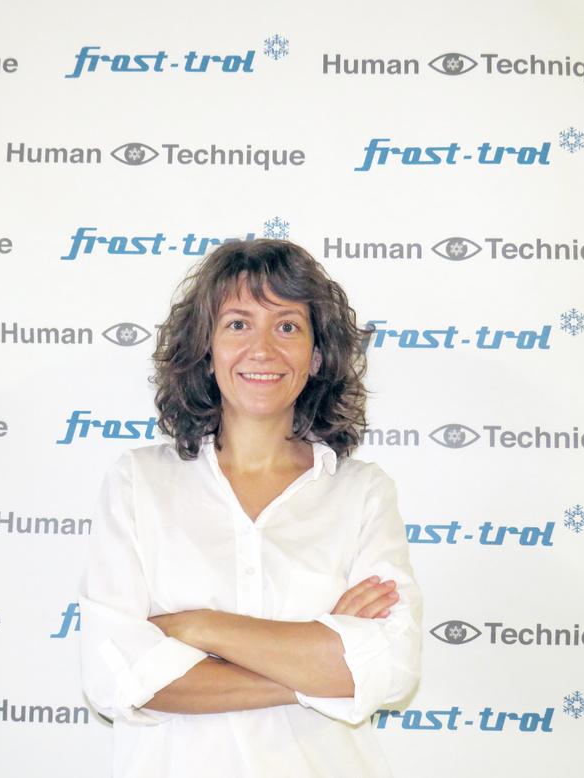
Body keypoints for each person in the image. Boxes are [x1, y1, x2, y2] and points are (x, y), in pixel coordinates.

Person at [78, 239, 422, 777]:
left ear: (316, 356)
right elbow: (115, 677)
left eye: (287, 326)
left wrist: (199, 627)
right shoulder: (138, 482)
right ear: (206, 349)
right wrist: (319, 668)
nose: (262, 349)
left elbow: (391, 668)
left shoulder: (362, 493)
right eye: (238, 324)